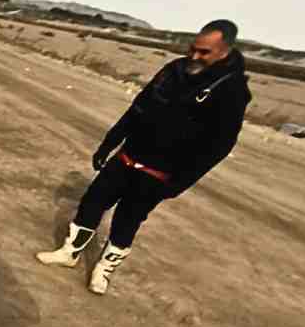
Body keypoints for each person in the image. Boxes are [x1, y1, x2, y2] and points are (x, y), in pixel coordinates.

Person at [36, 19, 252, 294]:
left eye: (204, 52)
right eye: (193, 49)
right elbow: (137, 108)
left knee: (127, 221)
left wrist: (179, 183)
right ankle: (69, 253)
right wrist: (109, 143)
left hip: (159, 173)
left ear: (225, 51)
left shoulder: (233, 91)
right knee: (93, 201)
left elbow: (218, 147)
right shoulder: (174, 69)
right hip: (127, 156)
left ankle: (103, 271)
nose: (194, 56)